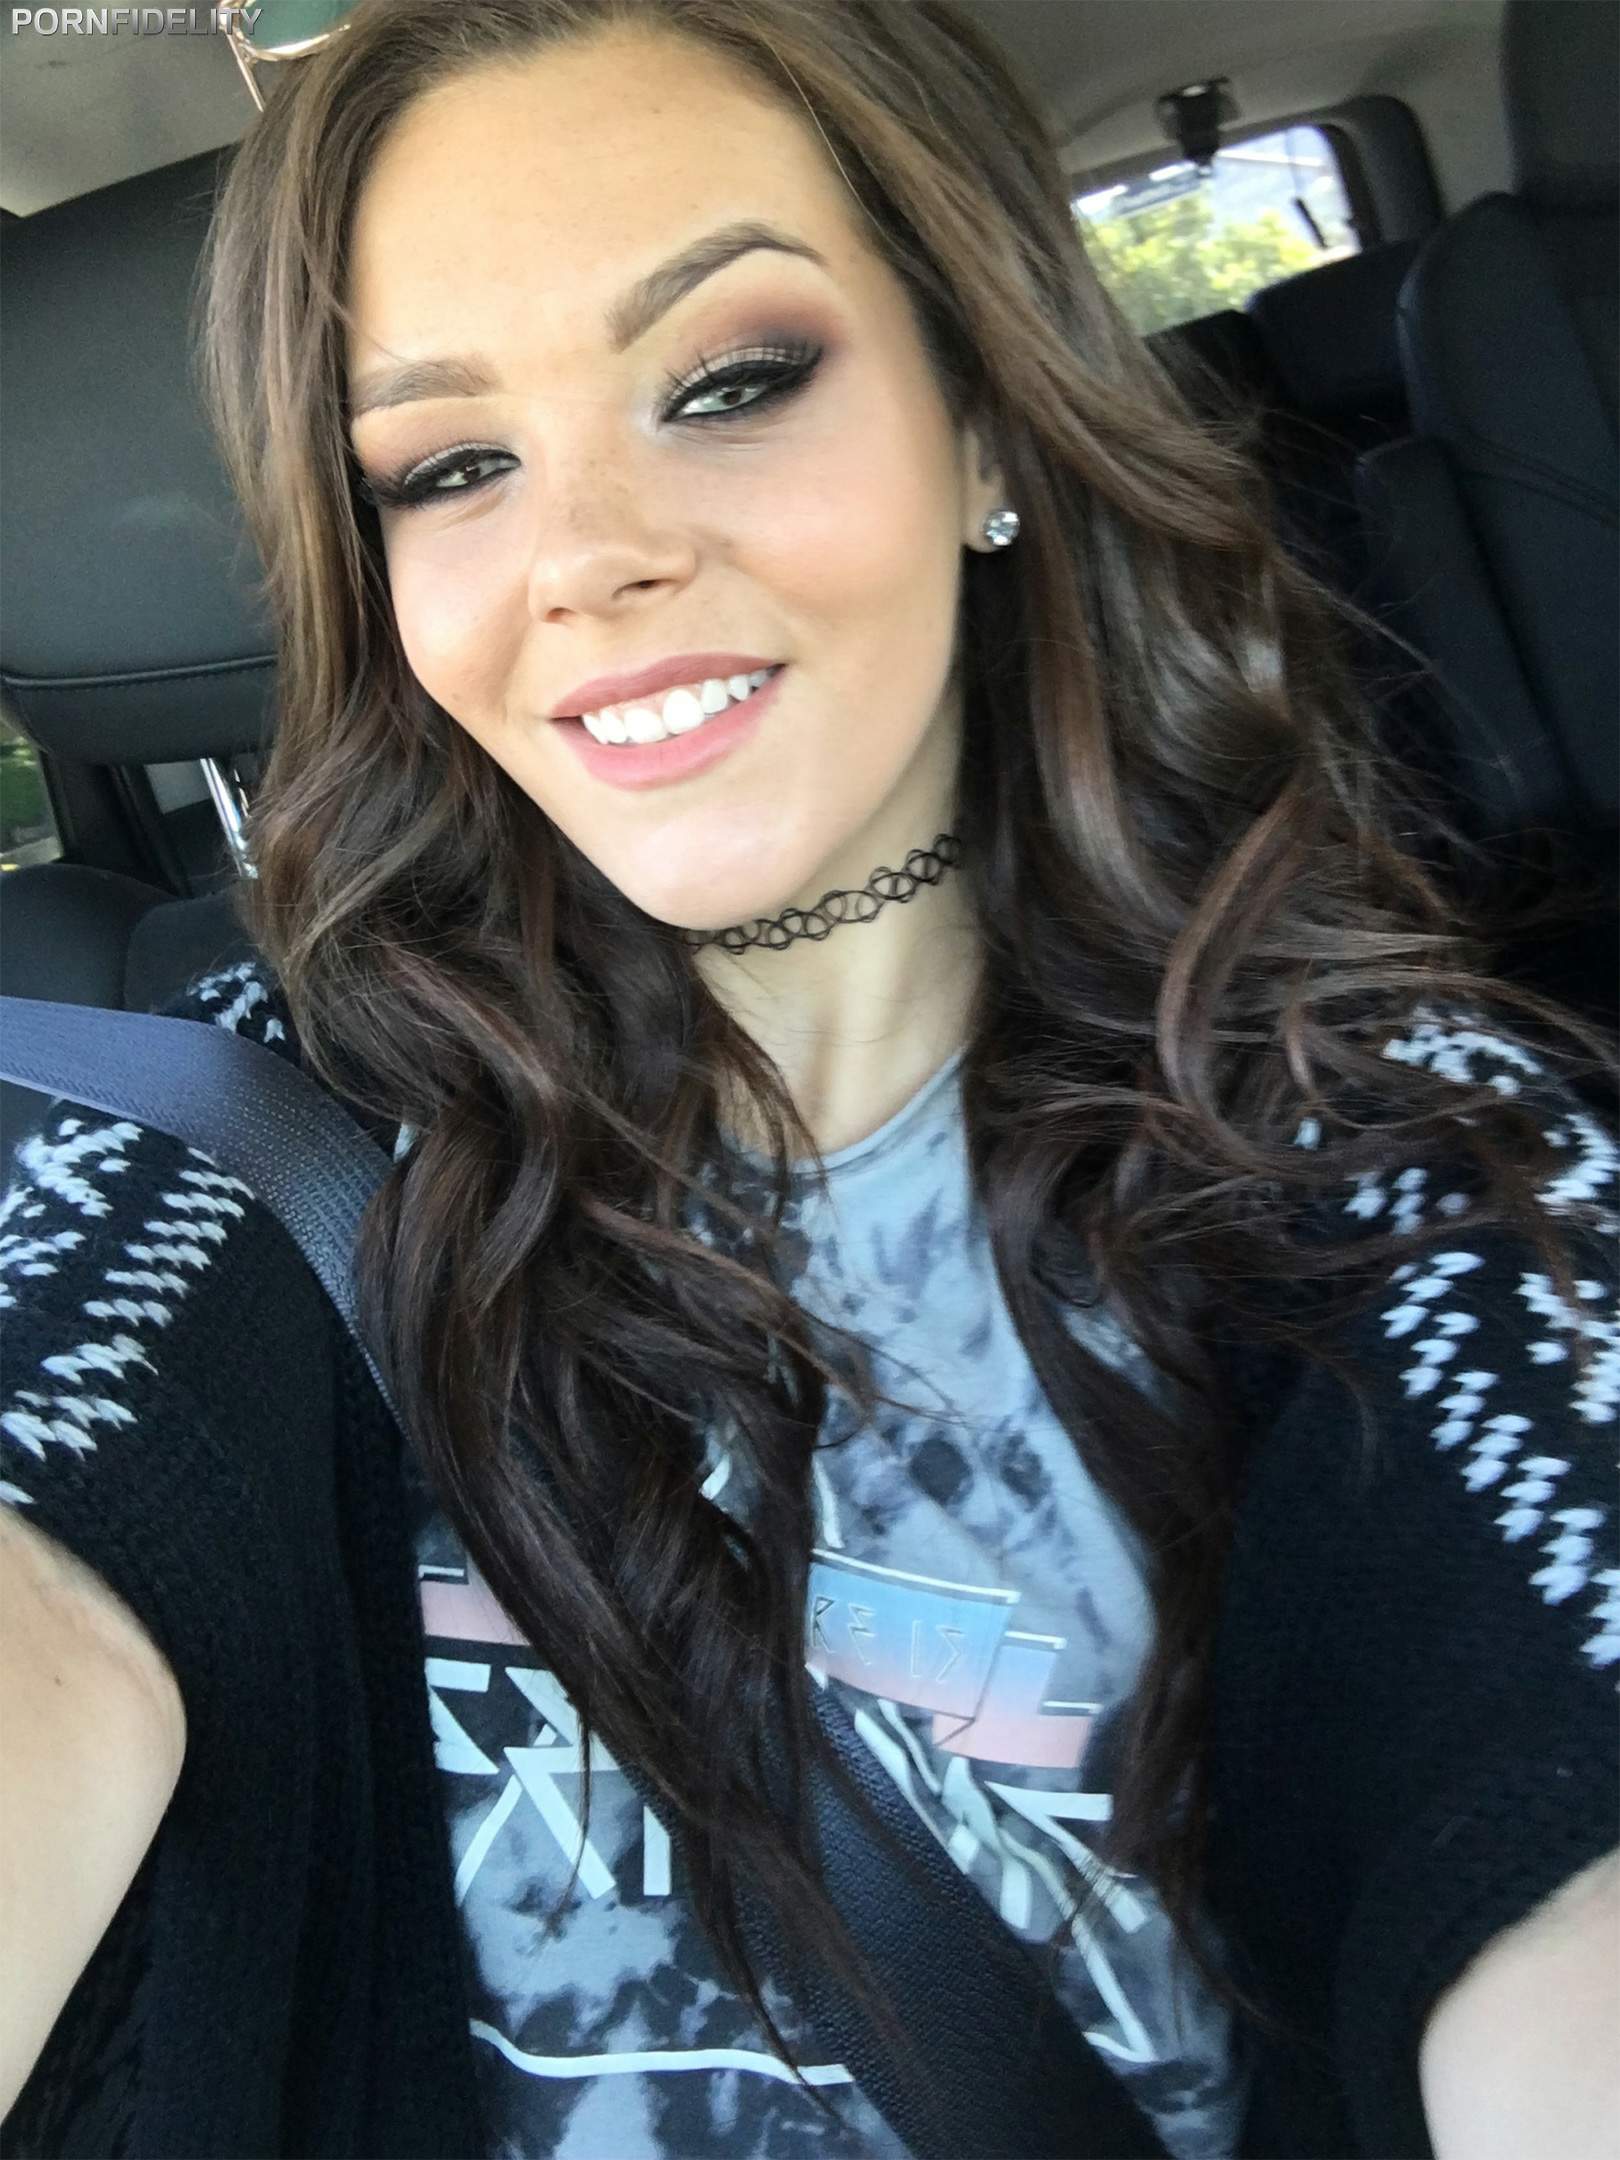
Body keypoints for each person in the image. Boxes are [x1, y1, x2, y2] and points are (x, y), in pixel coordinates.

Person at [1, 1, 1616, 2155]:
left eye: (734, 379)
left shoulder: (1403, 1155)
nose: (588, 552)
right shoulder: (204, 1149)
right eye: (450, 467)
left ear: (988, 421)